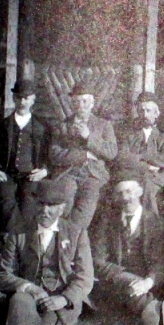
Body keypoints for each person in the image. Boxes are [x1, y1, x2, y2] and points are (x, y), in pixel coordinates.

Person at [0, 178, 94, 325]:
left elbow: (85, 277)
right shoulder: (19, 232)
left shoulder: (76, 233)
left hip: (60, 299)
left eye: (52, 205)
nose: (44, 211)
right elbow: (2, 276)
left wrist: (63, 298)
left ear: (63, 207)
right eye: (41, 204)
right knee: (19, 300)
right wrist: (29, 287)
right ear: (34, 204)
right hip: (28, 297)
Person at [91, 169, 164, 325]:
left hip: (148, 284)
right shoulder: (107, 221)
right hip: (116, 282)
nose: (126, 198)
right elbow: (98, 260)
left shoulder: (154, 222)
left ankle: (150, 324)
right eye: (120, 193)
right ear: (115, 197)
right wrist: (127, 278)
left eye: (129, 191)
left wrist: (147, 282)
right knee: (130, 291)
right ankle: (161, 319)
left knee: (139, 293)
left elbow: (161, 262)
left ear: (139, 192)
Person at [49, 79, 117, 229]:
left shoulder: (104, 125)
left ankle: (70, 237)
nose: (81, 106)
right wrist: (83, 156)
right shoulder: (63, 126)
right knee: (64, 198)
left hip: (93, 176)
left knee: (87, 205)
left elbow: (111, 153)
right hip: (68, 173)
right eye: (77, 102)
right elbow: (54, 155)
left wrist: (89, 137)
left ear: (92, 103)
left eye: (85, 101)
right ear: (72, 104)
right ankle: (62, 236)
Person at [0, 79, 50, 224]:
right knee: (6, 201)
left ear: (33, 99)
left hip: (31, 175)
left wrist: (45, 170)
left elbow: (49, 154)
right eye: (18, 97)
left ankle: (22, 240)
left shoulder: (42, 127)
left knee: (28, 203)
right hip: (7, 174)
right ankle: (14, 239)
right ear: (13, 98)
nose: (22, 102)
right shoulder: (3, 125)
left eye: (26, 98)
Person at [115, 91, 164, 214]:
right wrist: (146, 165)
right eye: (141, 111)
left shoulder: (163, 138)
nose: (144, 114)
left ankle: (151, 226)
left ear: (156, 113)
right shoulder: (129, 135)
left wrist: (138, 157)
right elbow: (122, 157)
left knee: (147, 187)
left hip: (154, 179)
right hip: (131, 176)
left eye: (148, 111)